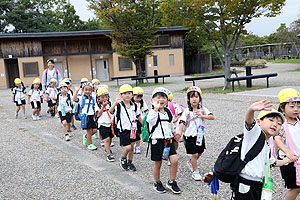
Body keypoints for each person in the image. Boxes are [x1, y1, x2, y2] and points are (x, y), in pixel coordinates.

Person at [230, 100, 291, 199]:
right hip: (245, 183)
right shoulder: (254, 136)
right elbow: (249, 123)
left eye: (279, 123)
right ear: (258, 122)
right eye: (271, 120)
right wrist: (251, 110)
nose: (275, 124)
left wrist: (288, 159)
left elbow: (273, 162)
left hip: (257, 184)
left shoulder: (266, 145)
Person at [147, 87, 181, 194]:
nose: (161, 99)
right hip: (157, 141)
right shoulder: (152, 113)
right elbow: (150, 120)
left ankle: (171, 181)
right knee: (158, 163)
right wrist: (155, 109)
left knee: (174, 160)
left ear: (167, 100)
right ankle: (157, 182)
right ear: (152, 101)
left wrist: (174, 132)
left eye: (163, 97)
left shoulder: (168, 112)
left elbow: (170, 125)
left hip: (168, 140)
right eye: (158, 97)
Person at [177, 86, 215, 181]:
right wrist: (180, 132)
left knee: (200, 151)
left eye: (196, 96)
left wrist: (203, 116)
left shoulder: (203, 109)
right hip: (189, 136)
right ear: (188, 99)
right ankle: (195, 171)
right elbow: (182, 122)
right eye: (192, 97)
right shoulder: (186, 111)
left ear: (200, 98)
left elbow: (212, 117)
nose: (194, 99)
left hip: (200, 135)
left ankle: (191, 162)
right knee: (194, 154)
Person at [109, 84, 142, 171]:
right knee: (128, 147)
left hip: (133, 129)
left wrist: (144, 125)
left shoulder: (134, 105)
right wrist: (116, 102)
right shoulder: (119, 106)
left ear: (132, 95)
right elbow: (110, 111)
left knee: (132, 147)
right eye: (125, 93)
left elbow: (138, 116)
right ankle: (123, 158)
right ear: (121, 95)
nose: (127, 95)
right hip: (124, 130)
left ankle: (130, 162)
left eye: (129, 93)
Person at [274, 88, 300, 200]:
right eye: (292, 106)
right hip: (289, 161)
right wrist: (287, 153)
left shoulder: (299, 121)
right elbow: (277, 139)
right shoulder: (281, 124)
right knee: (295, 188)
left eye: (299, 106)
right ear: (282, 107)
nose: (296, 109)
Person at [73, 82, 98, 150]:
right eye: (86, 90)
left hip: (92, 116)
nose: (88, 91)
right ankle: (90, 144)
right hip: (85, 117)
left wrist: (96, 89)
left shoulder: (93, 98)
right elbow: (75, 99)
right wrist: (76, 91)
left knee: (95, 130)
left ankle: (86, 137)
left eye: (89, 90)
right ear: (83, 90)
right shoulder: (81, 98)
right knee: (89, 131)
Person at [96, 87, 115, 162]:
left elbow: (112, 111)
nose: (105, 99)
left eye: (106, 97)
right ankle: (109, 154)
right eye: (103, 97)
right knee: (106, 139)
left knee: (110, 138)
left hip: (110, 123)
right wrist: (103, 107)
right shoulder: (97, 105)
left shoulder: (109, 102)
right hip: (102, 124)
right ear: (99, 98)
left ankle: (107, 149)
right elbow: (98, 114)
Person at [132, 87, 149, 154]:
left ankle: (138, 146)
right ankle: (133, 146)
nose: (139, 99)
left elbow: (146, 110)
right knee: (133, 134)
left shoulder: (142, 102)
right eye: (137, 97)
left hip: (140, 120)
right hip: (133, 121)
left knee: (139, 134)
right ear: (132, 96)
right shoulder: (131, 103)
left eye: (140, 97)